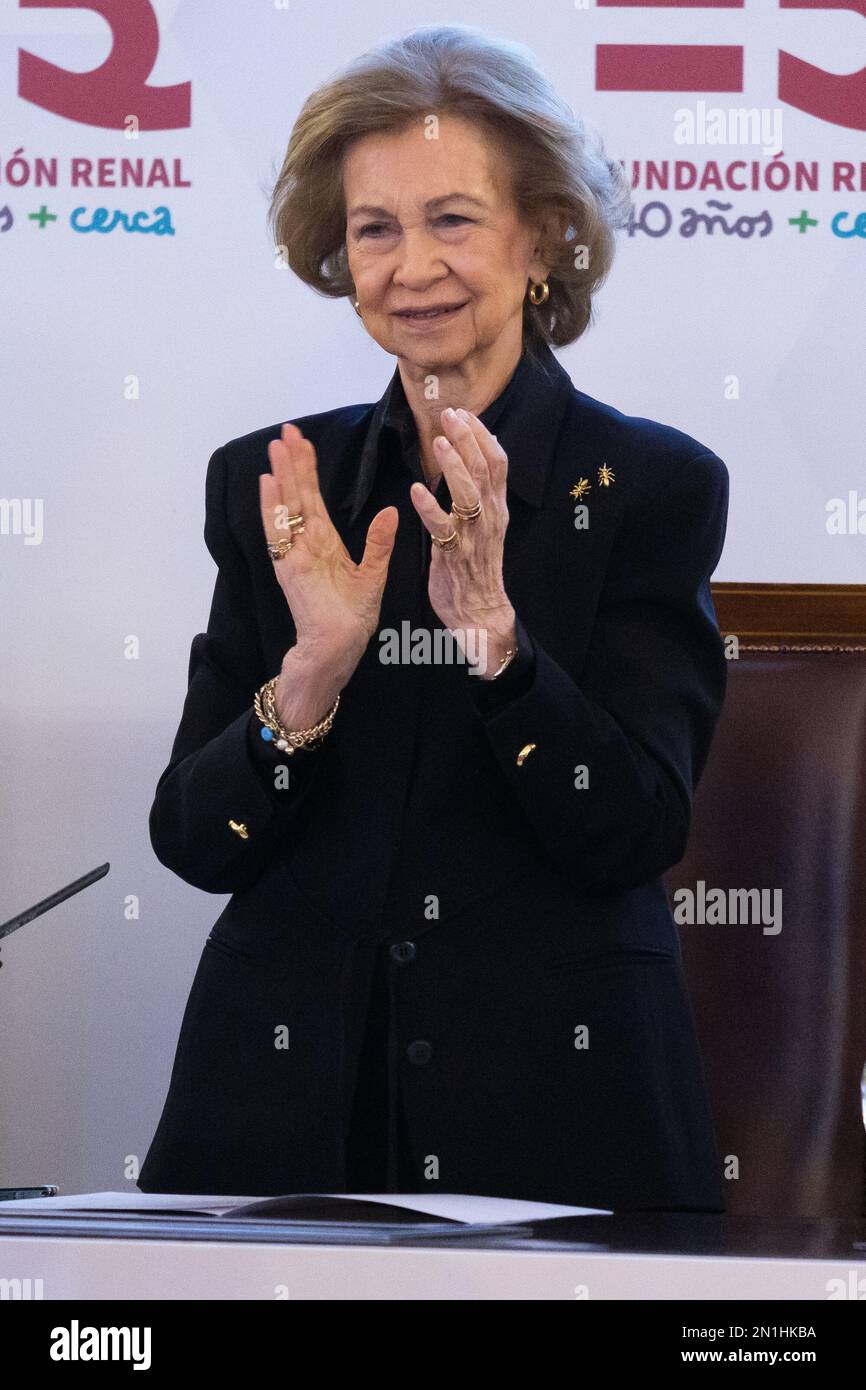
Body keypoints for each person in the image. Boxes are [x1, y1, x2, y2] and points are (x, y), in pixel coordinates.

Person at [138, 25, 729, 1210]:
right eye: (374, 229)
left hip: (556, 1110)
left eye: (451, 219)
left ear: (543, 237)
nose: (412, 267)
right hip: (282, 1103)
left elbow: (626, 831)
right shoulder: (272, 482)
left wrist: (501, 650)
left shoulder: (650, 489)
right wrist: (305, 679)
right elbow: (197, 845)